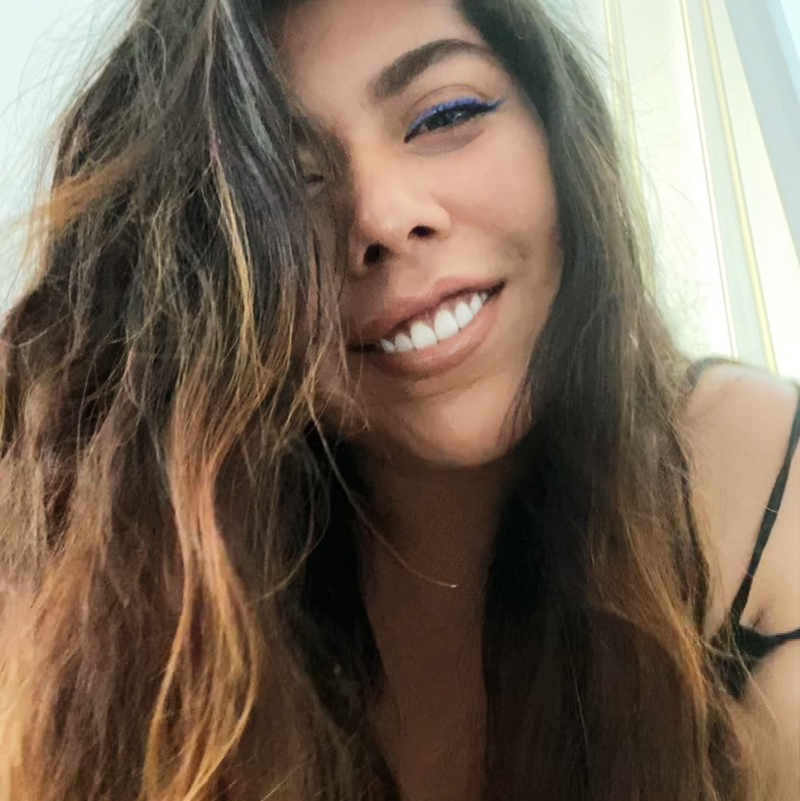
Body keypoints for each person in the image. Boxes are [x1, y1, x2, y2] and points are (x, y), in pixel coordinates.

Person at [0, 0, 797, 799]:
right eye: (283, 184)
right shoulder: (123, 579)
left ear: (555, 132)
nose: (382, 216)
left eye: (444, 116)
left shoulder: (760, 487)